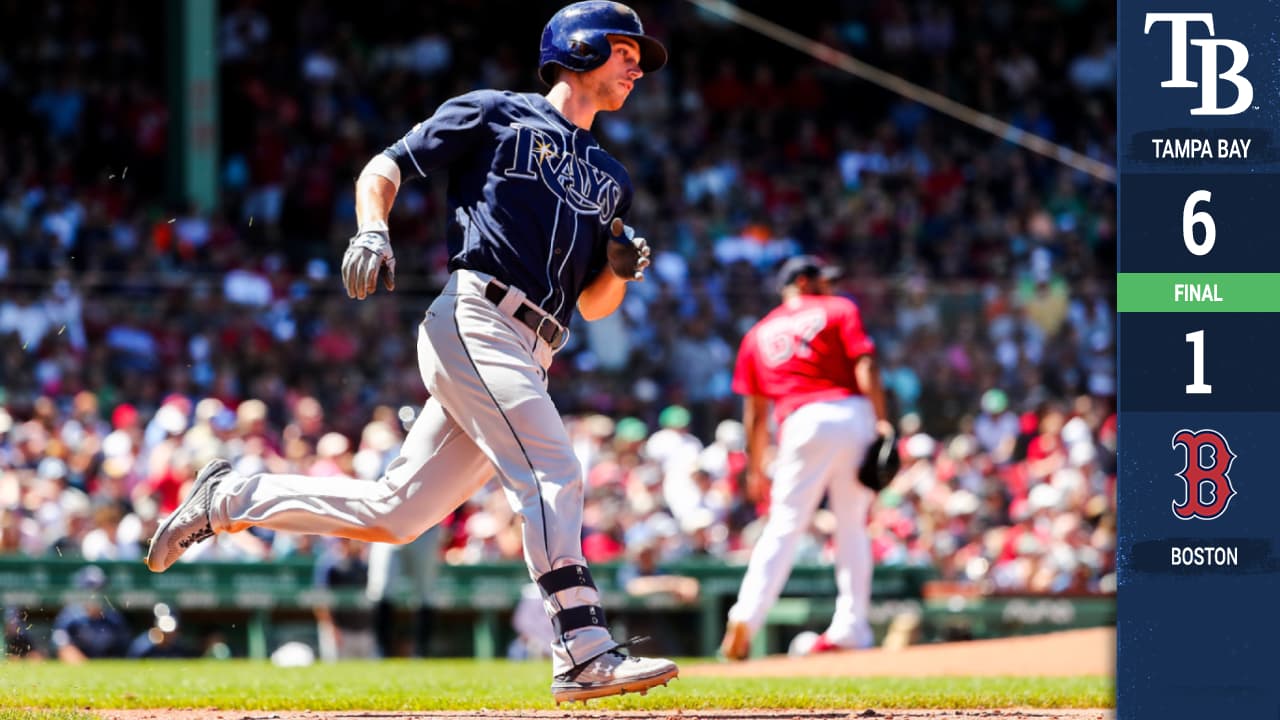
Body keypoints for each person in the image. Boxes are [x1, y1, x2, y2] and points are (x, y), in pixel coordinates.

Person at [145, 1, 675, 703]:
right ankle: (581, 649)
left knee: (395, 514)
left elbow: (595, 304)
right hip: (477, 316)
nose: (637, 65)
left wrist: (619, 270)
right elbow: (383, 167)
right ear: (577, 47)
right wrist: (372, 231)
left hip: (535, 344)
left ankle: (232, 496)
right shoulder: (494, 112)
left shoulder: (612, 176)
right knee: (554, 470)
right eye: (623, 49)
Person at [720, 256, 893, 660]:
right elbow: (864, 362)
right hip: (851, 412)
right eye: (822, 280)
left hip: (799, 422)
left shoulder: (757, 333)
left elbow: (755, 413)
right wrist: (883, 421)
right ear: (802, 281)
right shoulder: (839, 309)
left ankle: (747, 614)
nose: (829, 287)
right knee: (852, 523)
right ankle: (852, 625)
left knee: (784, 524)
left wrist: (755, 465)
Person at [50, 565, 133, 663]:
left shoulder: (114, 618)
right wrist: (83, 663)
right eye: (90, 589)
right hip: (79, 667)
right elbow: (62, 646)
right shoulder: (70, 616)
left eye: (100, 589)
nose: (95, 594)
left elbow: (124, 652)